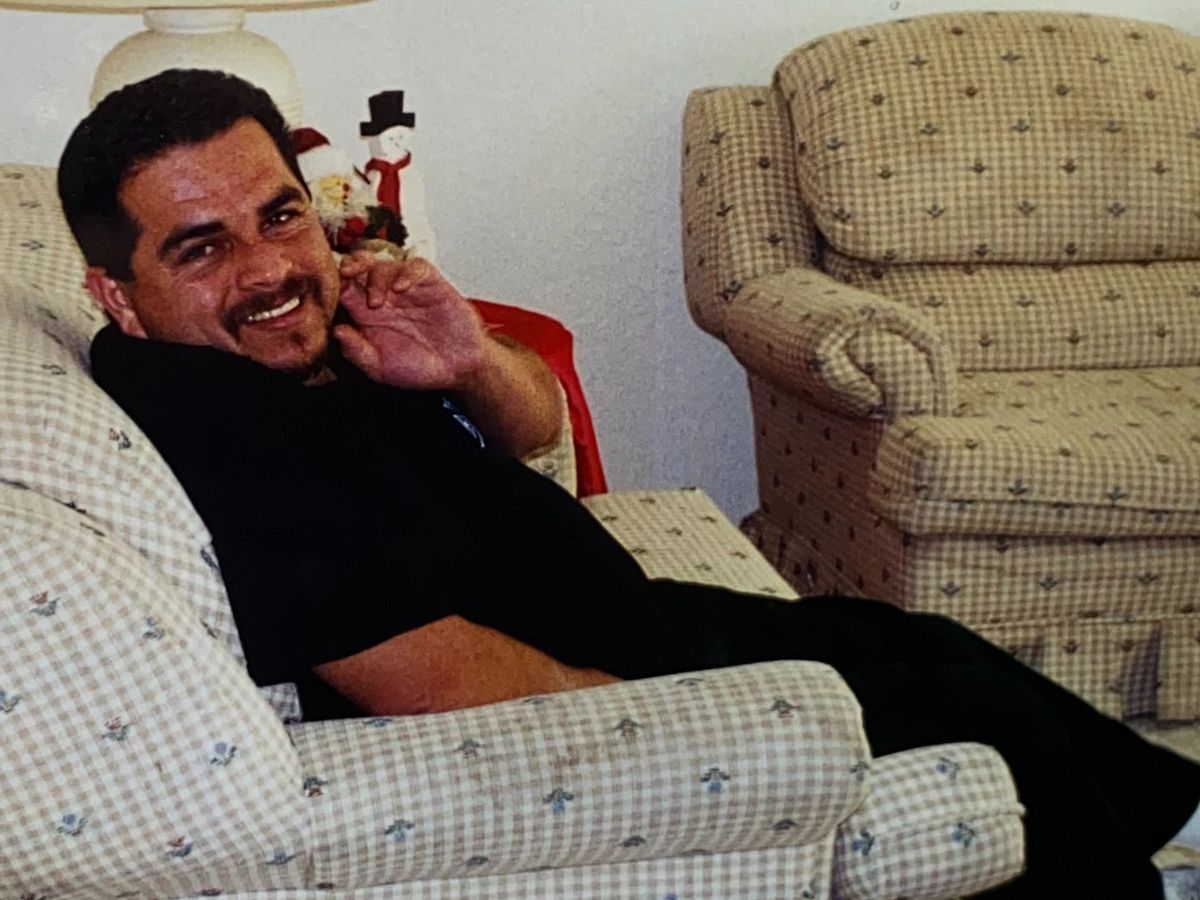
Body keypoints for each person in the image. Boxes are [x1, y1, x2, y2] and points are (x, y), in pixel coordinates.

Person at [58, 68, 1200, 898]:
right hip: (605, 680)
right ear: (117, 293)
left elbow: (533, 430)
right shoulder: (224, 437)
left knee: (924, 643)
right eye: (201, 248)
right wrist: (665, 714)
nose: (268, 269)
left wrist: (464, 361)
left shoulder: (286, 343)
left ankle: (1167, 826)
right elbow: (431, 681)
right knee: (977, 716)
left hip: (623, 613)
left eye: (280, 216)